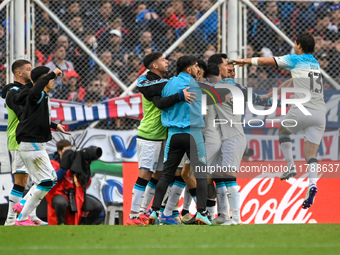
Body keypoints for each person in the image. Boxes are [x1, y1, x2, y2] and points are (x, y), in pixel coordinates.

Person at [232, 32, 325, 209]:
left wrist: (245, 61)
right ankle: (312, 184)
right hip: (320, 113)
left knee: (283, 130)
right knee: (310, 155)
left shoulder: (294, 59)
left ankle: (290, 167)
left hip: (303, 109)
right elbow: (293, 80)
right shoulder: (315, 63)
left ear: (298, 45)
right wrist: (273, 94)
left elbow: (267, 60)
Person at [127, 52, 194, 225]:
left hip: (164, 133)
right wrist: (179, 94)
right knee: (145, 174)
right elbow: (158, 102)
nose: (167, 61)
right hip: (149, 134)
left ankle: (146, 212)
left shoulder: (164, 83)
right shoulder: (147, 82)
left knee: (160, 174)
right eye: (163, 60)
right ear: (154, 65)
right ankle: (134, 215)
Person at [148, 55, 211, 225]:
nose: (199, 70)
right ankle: (202, 213)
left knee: (166, 175)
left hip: (173, 134)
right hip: (194, 133)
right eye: (197, 66)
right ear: (189, 69)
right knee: (201, 175)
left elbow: (161, 102)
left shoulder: (168, 85)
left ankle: (154, 212)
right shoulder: (197, 85)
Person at [13, 66, 71, 225]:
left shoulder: (41, 96)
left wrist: (53, 125)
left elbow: (35, 118)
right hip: (32, 144)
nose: (53, 81)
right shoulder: (36, 94)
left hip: (35, 144)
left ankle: (23, 204)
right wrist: (52, 73)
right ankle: (23, 218)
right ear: (44, 79)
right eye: (51, 79)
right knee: (46, 181)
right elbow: (34, 90)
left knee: (49, 180)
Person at [2, 60, 46, 226]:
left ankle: (30, 216)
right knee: (21, 180)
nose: (31, 71)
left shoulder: (27, 90)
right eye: (28, 69)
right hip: (18, 138)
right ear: (19, 73)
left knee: (36, 179)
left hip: (31, 137)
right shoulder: (13, 91)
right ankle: (10, 220)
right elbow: (24, 113)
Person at [45, 140, 103, 225]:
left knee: (97, 207)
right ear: (59, 151)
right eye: (66, 152)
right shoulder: (53, 164)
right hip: (58, 193)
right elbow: (53, 182)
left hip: (76, 195)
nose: (69, 154)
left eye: (71, 151)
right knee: (61, 203)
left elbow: (86, 184)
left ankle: (82, 225)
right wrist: (64, 168)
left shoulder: (76, 163)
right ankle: (60, 224)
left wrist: (84, 168)